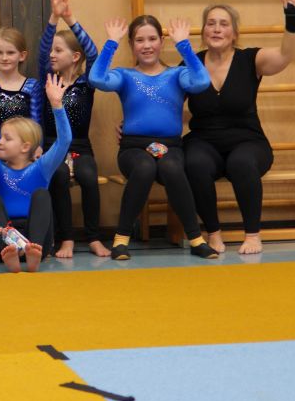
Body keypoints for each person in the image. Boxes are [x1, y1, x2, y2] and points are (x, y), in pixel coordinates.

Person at [185, 0, 295, 255]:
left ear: (235, 33)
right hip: (204, 142)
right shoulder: (191, 64)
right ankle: (213, 233)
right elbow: (164, 102)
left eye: (223, 24)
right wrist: (133, 127)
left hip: (248, 141)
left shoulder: (251, 59)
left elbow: (285, 55)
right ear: (203, 32)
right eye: (211, 23)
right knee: (194, 162)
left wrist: (292, 18)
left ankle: (252, 235)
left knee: (241, 162)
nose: (217, 29)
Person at [89, 15, 217, 261]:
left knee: (171, 167)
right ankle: (121, 239)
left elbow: (201, 82)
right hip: (134, 149)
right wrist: (111, 43)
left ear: (161, 42)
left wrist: (184, 45)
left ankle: (196, 239)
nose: (146, 45)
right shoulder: (125, 76)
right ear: (131, 44)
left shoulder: (177, 75)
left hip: (170, 147)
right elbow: (96, 79)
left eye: (152, 39)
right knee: (144, 167)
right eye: (139, 40)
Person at [0, 76, 70, 273]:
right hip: (5, 242)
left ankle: (33, 251)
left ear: (25, 147)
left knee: (41, 194)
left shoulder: (42, 168)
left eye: (7, 138)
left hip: (37, 237)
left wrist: (57, 106)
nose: (0, 142)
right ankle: (14, 251)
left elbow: (64, 141)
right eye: (1, 137)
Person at [39, 0, 107, 258]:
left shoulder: (86, 83)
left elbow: (94, 54)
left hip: (80, 147)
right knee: (57, 177)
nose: (52, 54)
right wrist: (53, 18)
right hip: (52, 146)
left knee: (89, 177)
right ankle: (65, 238)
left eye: (59, 50)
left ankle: (93, 237)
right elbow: (42, 51)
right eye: (52, 50)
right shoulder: (48, 79)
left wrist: (70, 19)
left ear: (75, 56)